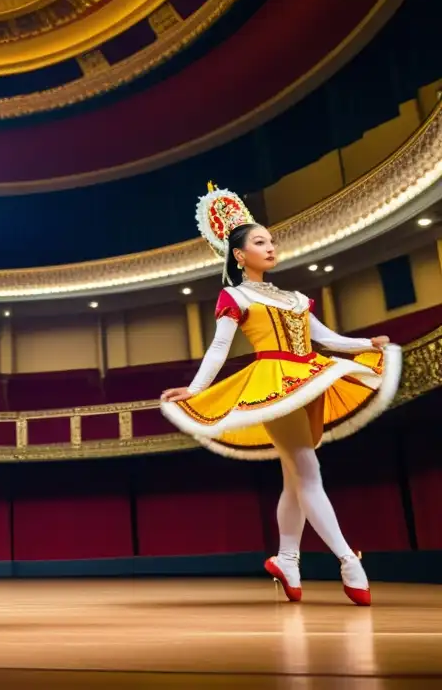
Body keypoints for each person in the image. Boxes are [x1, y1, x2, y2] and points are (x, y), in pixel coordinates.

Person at [160, 184, 401, 606]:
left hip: (309, 377)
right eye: (259, 242)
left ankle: (288, 558)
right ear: (239, 254)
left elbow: (328, 340)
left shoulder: (294, 297)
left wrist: (369, 344)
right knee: (308, 472)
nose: (270, 247)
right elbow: (219, 348)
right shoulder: (235, 295)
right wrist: (196, 390)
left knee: (295, 477)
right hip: (273, 383)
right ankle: (348, 560)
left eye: (271, 241)